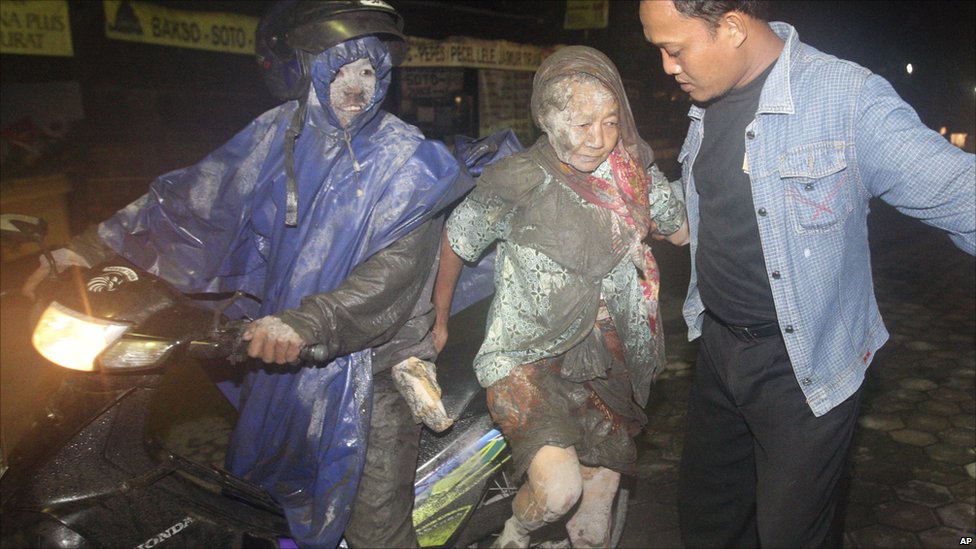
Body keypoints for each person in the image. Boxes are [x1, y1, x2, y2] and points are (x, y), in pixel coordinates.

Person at [22, 1, 463, 547]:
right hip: (279, 356)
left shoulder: (412, 162)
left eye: (369, 71)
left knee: (374, 528)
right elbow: (193, 205)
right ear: (304, 72)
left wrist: (307, 323)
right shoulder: (275, 137)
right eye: (338, 70)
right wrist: (88, 249)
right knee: (255, 497)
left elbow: (391, 276)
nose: (355, 86)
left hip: (370, 368)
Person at [637, 1, 976, 546]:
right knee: (707, 523)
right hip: (717, 350)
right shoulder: (708, 100)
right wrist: (646, 207)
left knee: (790, 535)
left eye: (674, 50)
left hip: (802, 364)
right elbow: (717, 201)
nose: (666, 66)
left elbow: (963, 195)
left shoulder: (847, 99)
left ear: (731, 27)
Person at [432, 45, 688, 548]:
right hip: (528, 359)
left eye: (611, 122)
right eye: (582, 123)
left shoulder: (632, 174)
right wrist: (437, 319)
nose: (599, 138)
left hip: (610, 363)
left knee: (593, 526)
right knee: (558, 492)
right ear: (548, 120)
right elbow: (456, 240)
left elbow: (681, 231)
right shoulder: (517, 179)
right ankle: (512, 534)